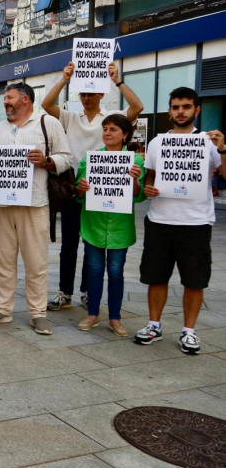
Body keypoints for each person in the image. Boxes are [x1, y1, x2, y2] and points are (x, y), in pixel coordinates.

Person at [41, 61, 143, 311]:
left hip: (100, 190)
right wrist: (65, 79)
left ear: (101, 93)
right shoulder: (70, 116)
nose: (86, 97)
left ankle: (87, 291)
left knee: (90, 244)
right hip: (73, 186)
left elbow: (137, 107)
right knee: (68, 246)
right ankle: (65, 292)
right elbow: (46, 105)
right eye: (82, 93)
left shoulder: (111, 117)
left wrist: (117, 80)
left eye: (91, 93)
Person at [0, 82, 74, 335]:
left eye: (9, 98)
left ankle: (37, 313)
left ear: (25, 100)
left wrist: (47, 161)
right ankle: (3, 309)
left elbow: (67, 157)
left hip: (35, 204)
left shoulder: (48, 123)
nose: (5, 102)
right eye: (5, 98)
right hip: (2, 206)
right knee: (3, 261)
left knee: (36, 262)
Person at [135, 87, 226, 354]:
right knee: (156, 277)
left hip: (196, 223)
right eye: (176, 107)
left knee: (194, 280)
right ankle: (154, 325)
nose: (181, 111)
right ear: (170, 111)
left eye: (186, 107)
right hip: (160, 220)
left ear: (196, 110)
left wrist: (223, 148)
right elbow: (150, 177)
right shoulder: (157, 143)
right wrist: (149, 188)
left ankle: (189, 331)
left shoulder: (209, 142)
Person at [74, 114, 144, 336]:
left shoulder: (136, 161)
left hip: (119, 229)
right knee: (94, 270)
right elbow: (77, 193)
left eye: (113, 129)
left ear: (125, 135)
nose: (107, 133)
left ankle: (115, 318)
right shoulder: (90, 159)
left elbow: (138, 196)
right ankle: (92, 314)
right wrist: (81, 188)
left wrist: (134, 180)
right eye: (105, 128)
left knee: (116, 272)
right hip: (93, 225)